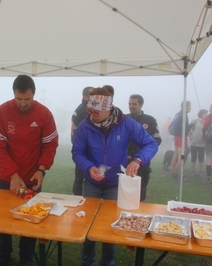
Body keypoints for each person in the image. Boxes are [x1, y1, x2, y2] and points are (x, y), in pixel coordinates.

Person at [72, 86, 158, 266]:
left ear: (108, 108)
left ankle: (107, 262)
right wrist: (88, 167)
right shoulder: (85, 126)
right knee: (88, 225)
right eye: (90, 110)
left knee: (110, 227)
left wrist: (137, 160)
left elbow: (151, 144)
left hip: (114, 185)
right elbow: (77, 152)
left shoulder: (126, 124)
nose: (92, 114)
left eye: (96, 111)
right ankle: (86, 262)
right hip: (91, 184)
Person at [0, 75, 59, 266]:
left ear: (33, 95)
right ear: (14, 95)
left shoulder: (44, 114)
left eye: (27, 99)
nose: (23, 103)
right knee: (3, 218)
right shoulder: (2, 111)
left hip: (31, 177)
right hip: (5, 177)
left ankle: (26, 258)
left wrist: (41, 170)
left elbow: (50, 145)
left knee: (31, 218)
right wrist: (13, 174)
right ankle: (2, 255)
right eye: (19, 99)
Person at [126, 94, 161, 202]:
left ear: (141, 105)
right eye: (130, 104)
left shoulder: (150, 120)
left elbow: (157, 140)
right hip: (124, 162)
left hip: (142, 163)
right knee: (124, 191)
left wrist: (144, 153)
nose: (131, 106)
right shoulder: (124, 119)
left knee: (140, 192)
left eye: (134, 104)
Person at [71, 86, 93, 195]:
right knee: (82, 177)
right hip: (84, 151)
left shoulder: (79, 109)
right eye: (92, 95)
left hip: (80, 150)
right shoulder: (85, 111)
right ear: (85, 96)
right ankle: (78, 198)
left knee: (80, 177)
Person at [170, 101, 191, 179]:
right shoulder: (184, 115)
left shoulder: (179, 114)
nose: (190, 108)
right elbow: (186, 128)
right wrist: (192, 124)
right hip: (182, 137)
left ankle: (173, 171)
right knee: (181, 155)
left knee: (175, 154)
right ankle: (179, 174)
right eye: (189, 106)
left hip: (177, 136)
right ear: (186, 107)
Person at [189, 109, 208, 178]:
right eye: (204, 113)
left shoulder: (207, 122)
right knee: (193, 158)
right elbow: (190, 130)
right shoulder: (196, 121)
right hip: (194, 143)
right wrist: (191, 137)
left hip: (202, 143)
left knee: (201, 158)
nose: (206, 115)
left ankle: (200, 172)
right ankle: (193, 171)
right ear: (201, 114)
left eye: (206, 113)